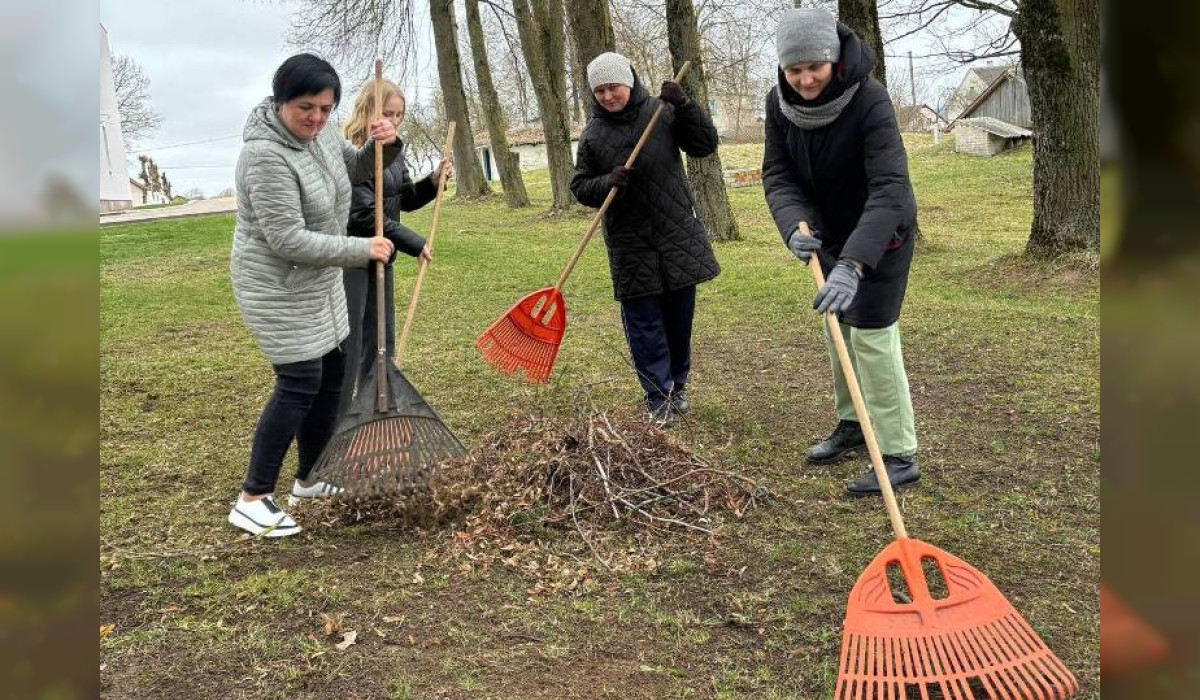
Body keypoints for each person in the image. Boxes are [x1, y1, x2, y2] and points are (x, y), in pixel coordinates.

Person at [228, 54, 402, 536]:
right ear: (280, 101)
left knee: (331, 372)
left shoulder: (322, 136)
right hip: (275, 284)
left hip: (319, 280)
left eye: (326, 109)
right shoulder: (264, 156)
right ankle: (252, 497)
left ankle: (309, 478)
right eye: (306, 107)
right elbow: (287, 239)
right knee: (300, 379)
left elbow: (359, 170)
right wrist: (361, 249)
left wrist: (382, 143)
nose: (317, 118)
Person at [762, 8, 921, 495]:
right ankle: (854, 424)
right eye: (794, 69)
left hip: (881, 235)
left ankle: (898, 454)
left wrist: (853, 264)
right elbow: (778, 174)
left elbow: (890, 187)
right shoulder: (778, 103)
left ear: (833, 58)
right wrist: (793, 226)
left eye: (815, 66)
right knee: (838, 329)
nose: (806, 79)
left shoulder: (869, 100)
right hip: (826, 235)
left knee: (871, 335)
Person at [570, 52, 721, 426]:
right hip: (631, 245)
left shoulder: (662, 112)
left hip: (675, 236)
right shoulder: (592, 135)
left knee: (678, 321)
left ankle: (678, 387)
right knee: (644, 326)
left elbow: (704, 144)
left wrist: (685, 106)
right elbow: (580, 186)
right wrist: (607, 182)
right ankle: (658, 396)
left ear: (630, 82)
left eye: (614, 87)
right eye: (600, 90)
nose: (608, 96)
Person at [337, 79, 452, 418]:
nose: (394, 121)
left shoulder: (395, 152)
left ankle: (375, 410)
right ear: (368, 110)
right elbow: (363, 215)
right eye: (388, 113)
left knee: (381, 341)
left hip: (383, 257)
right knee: (351, 345)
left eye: (399, 115)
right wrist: (415, 243)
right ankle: (340, 419)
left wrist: (433, 182)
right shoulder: (352, 153)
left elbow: (406, 199)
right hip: (353, 259)